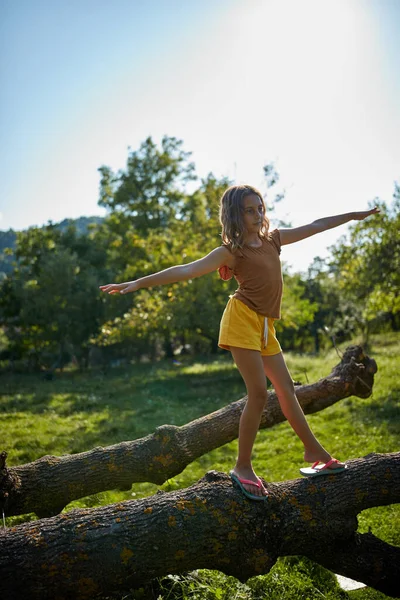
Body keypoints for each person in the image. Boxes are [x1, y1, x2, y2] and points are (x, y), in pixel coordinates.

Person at [100, 184, 379, 501]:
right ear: (236, 213)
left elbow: (316, 226)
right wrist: (138, 282)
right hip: (241, 320)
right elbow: (187, 269)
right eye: (250, 209)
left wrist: (355, 215)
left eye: (260, 207)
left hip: (264, 326)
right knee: (259, 393)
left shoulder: (273, 239)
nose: (258, 214)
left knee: (286, 389)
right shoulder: (231, 252)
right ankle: (242, 467)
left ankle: (314, 453)